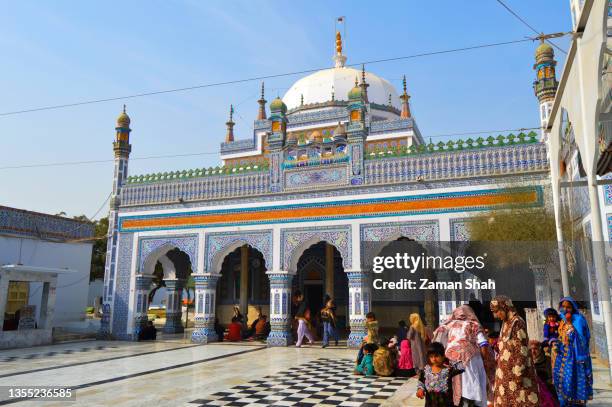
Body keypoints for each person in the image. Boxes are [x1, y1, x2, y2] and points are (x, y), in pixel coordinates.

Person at [433, 304, 490, 407]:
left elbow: (438, 338)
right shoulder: (474, 324)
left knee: (458, 382)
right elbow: (483, 343)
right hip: (471, 359)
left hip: (454, 358)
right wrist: (485, 359)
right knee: (470, 383)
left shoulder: (449, 325)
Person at [490, 296, 539, 406]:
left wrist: (518, 372)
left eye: (497, 311)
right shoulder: (505, 323)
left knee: (522, 400)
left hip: (517, 374)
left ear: (505, 307)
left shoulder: (517, 322)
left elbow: (522, 350)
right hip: (505, 374)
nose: (496, 315)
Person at [551, 297, 593, 407]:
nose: (565, 309)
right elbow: (561, 336)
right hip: (562, 356)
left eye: (568, 307)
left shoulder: (578, 320)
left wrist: (570, 322)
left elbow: (582, 339)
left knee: (572, 382)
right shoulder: (562, 320)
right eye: (563, 306)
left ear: (573, 308)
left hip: (575, 358)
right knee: (561, 382)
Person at [416, 342, 464, 406]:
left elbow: (462, 367)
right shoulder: (426, 371)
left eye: (436, 356)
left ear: (443, 356)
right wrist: (420, 389)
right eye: (431, 357)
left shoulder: (448, 371)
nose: (434, 359)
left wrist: (450, 358)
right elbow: (421, 382)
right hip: (430, 404)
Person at [529, 340, 559, 407]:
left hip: (547, 390)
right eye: (531, 349)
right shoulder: (528, 362)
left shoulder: (547, 360)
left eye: (535, 349)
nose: (533, 351)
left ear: (540, 349)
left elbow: (551, 377)